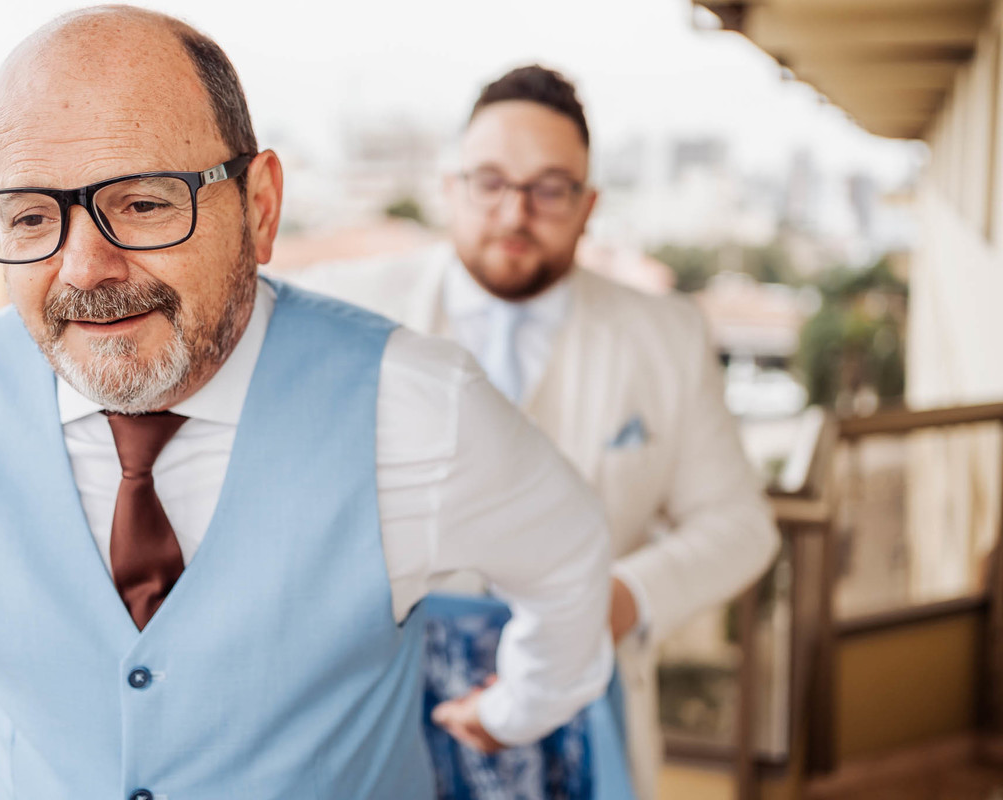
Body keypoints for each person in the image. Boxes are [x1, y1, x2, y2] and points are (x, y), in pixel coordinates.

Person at [0, 9, 629, 800]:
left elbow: (570, 566)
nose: (85, 268)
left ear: (259, 206)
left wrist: (514, 710)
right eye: (30, 216)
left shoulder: (422, 411)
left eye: (143, 203)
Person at [292, 65, 781, 799]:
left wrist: (611, 602)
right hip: (379, 699)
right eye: (490, 182)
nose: (516, 212)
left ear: (589, 205)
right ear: (451, 188)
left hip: (586, 698)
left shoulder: (667, 335)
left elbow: (741, 525)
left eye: (549, 189)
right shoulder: (347, 311)